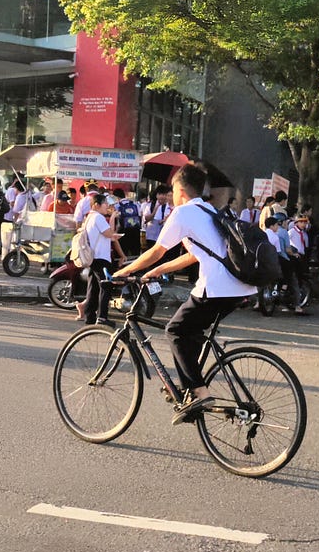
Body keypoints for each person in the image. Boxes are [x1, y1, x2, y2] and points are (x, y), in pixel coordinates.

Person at [110, 163, 258, 423]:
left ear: (179, 190)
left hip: (216, 288)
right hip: (239, 286)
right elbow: (192, 255)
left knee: (175, 330)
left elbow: (157, 251)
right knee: (191, 331)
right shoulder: (209, 210)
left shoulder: (183, 213)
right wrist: (156, 272)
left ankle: (199, 394)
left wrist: (123, 272)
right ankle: (192, 390)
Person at [77, 192, 121, 323]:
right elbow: (109, 233)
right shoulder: (98, 217)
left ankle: (90, 317)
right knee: (105, 286)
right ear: (96, 205)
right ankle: (102, 317)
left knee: (94, 288)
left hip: (94, 257)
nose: (107, 206)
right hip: (101, 258)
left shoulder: (89, 217)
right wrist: (112, 217)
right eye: (105, 204)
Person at [285, 212, 312, 315]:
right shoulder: (291, 232)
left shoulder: (304, 234)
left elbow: (305, 246)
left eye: (305, 223)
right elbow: (287, 244)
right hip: (293, 256)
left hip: (302, 256)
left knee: (301, 278)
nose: (303, 224)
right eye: (301, 222)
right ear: (297, 223)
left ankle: (297, 299)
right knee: (293, 277)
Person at [114, 187, 142, 256]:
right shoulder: (135, 204)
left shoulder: (116, 206)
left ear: (116, 197)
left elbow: (116, 219)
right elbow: (140, 215)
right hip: (135, 230)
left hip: (123, 231)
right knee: (135, 253)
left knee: (123, 252)